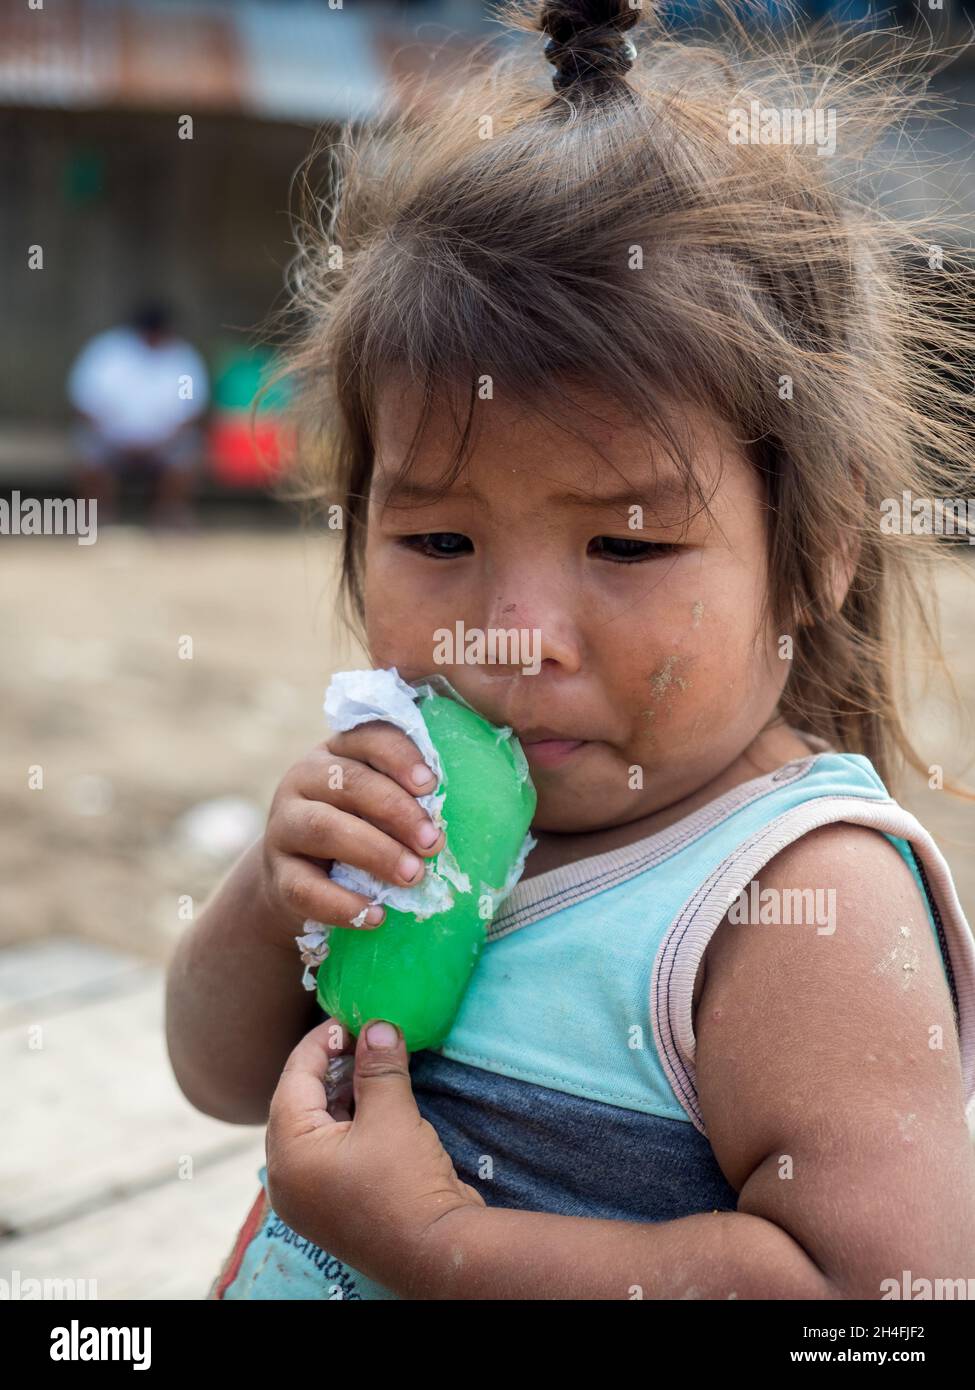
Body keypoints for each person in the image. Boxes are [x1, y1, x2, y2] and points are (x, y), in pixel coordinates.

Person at [166, 0, 975, 1299]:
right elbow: (215, 1078)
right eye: (436, 541)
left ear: (814, 551)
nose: (512, 636)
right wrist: (272, 895)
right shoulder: (408, 807)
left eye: (626, 547)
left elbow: (872, 1303)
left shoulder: (786, 906)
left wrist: (443, 1246)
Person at [67, 301, 209, 526]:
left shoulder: (182, 358)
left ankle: (170, 516)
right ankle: (97, 516)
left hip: (164, 443)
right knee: (87, 444)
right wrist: (113, 438)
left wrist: (161, 442)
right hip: (111, 439)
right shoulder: (106, 352)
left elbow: (190, 412)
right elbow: (85, 405)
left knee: (188, 447)